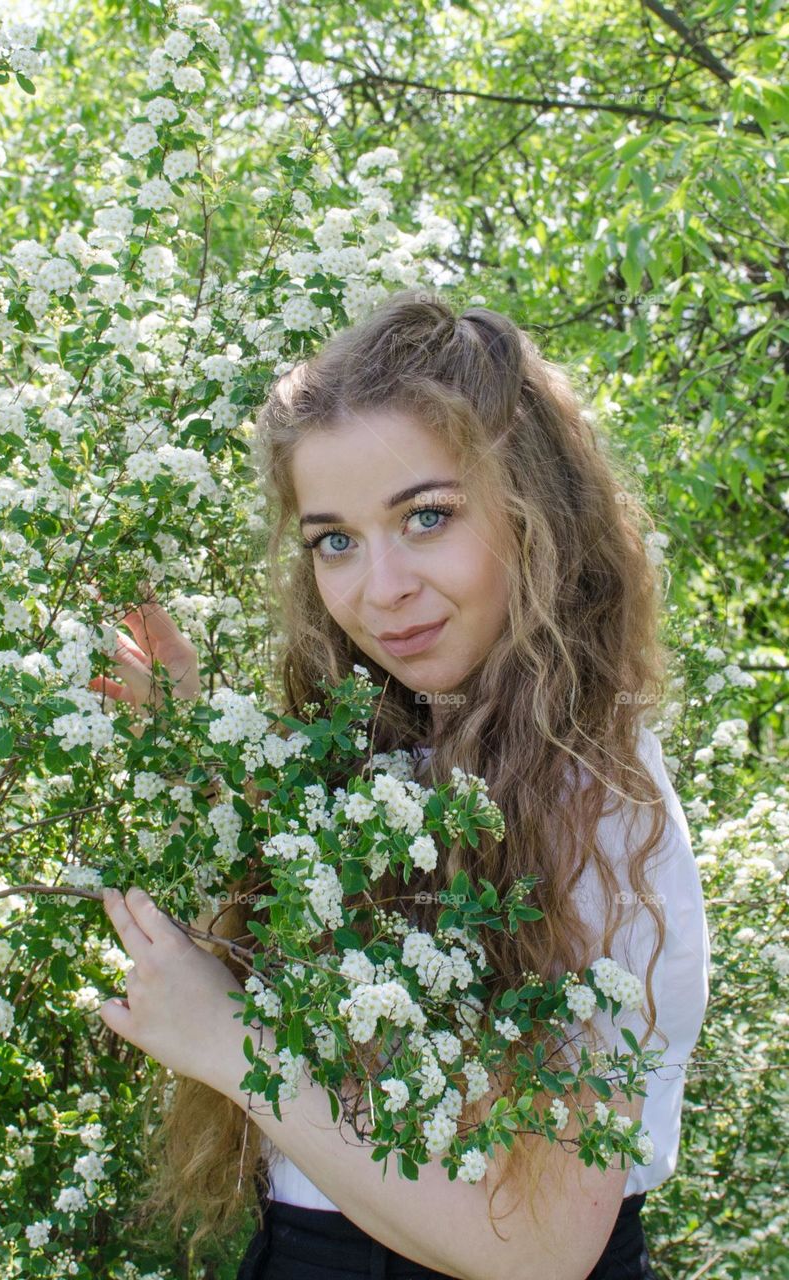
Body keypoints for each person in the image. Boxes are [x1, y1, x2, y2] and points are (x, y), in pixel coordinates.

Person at [93, 292, 711, 1279]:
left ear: (533, 511)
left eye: (426, 516)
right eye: (333, 539)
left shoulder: (586, 802)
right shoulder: (423, 744)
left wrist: (224, 1038)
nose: (376, 590)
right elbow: (363, 972)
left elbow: (539, 1249)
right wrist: (193, 745)